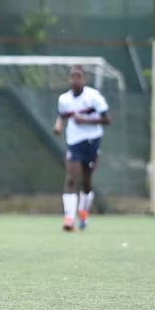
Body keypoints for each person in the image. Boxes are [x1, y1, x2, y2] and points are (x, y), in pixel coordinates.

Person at [53, 65, 111, 231]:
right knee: (71, 178)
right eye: (73, 76)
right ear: (69, 79)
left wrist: (85, 120)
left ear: (84, 79)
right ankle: (69, 219)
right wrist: (58, 126)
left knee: (86, 182)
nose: (75, 80)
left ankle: (83, 212)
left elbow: (107, 120)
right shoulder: (64, 99)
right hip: (74, 141)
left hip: (92, 141)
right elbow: (62, 116)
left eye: (79, 76)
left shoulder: (94, 97)